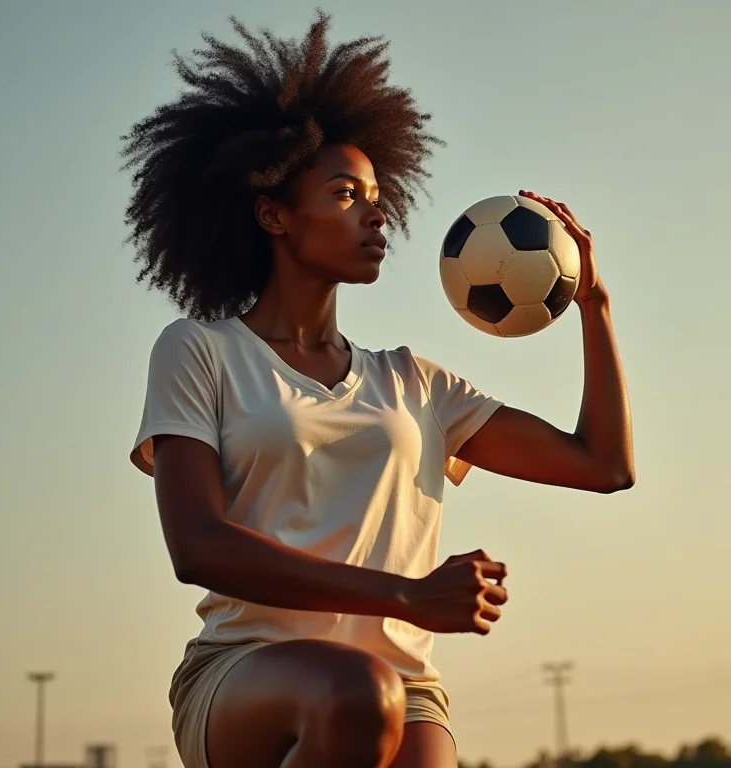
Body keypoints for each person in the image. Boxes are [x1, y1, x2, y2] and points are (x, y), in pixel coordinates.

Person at [124, 12, 635, 768]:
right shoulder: (200, 351)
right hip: (245, 672)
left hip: (403, 681)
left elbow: (602, 465)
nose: (376, 210)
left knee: (382, 695)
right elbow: (197, 546)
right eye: (344, 193)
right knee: (357, 692)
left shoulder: (414, 383)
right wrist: (405, 594)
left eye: (375, 193)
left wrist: (595, 307)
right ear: (273, 213)